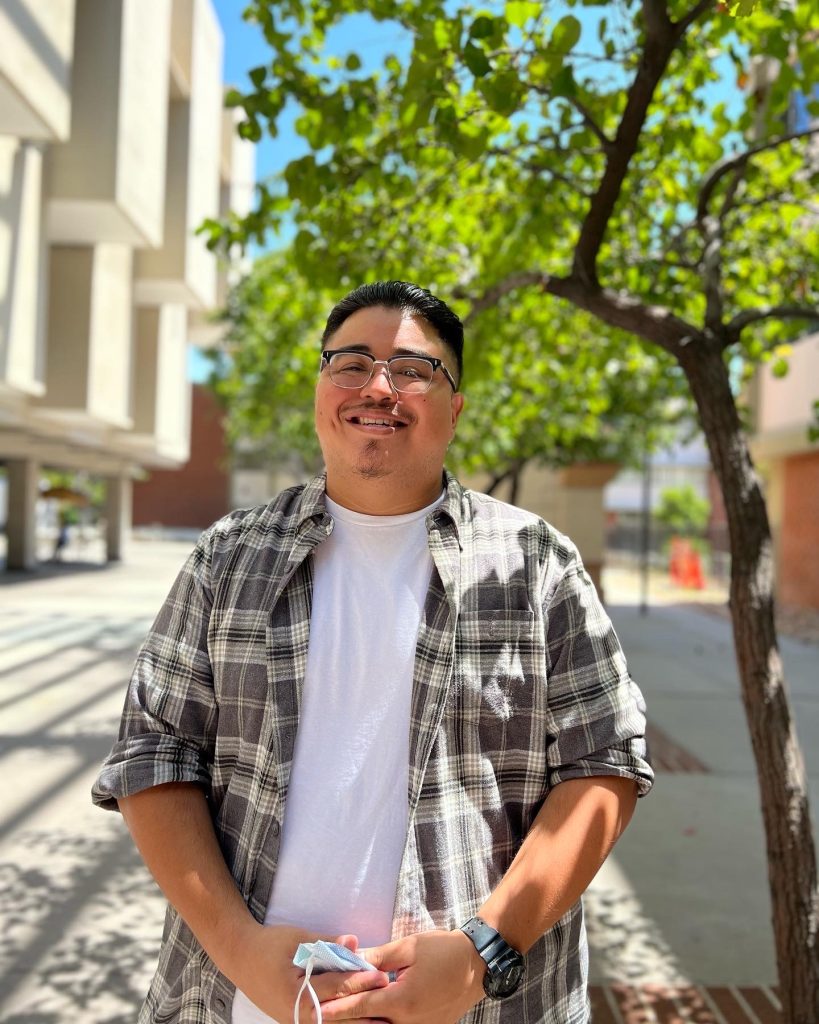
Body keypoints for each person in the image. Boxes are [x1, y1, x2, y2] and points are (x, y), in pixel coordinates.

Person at [92, 280, 653, 1024]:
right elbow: (155, 753)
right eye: (350, 363)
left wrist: (487, 948)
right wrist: (242, 952)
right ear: (321, 389)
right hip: (242, 999)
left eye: (413, 369)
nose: (378, 386)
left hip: (470, 1006)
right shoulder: (227, 557)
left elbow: (602, 762)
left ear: (453, 407)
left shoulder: (534, 562)